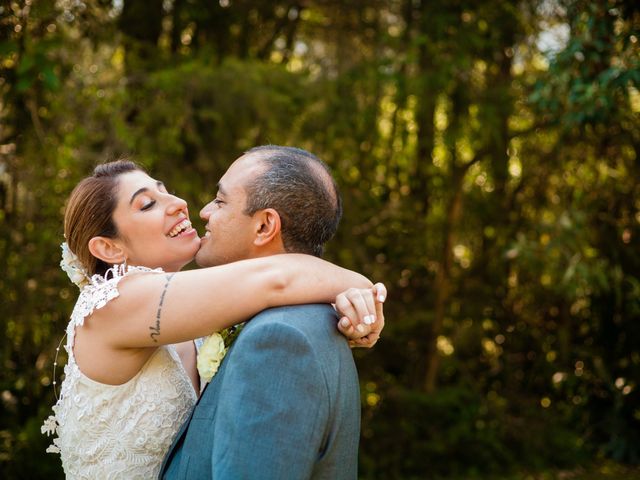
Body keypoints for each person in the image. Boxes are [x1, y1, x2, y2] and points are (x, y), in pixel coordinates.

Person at [42, 158, 385, 479]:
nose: (178, 203)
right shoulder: (113, 306)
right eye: (147, 204)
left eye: (164, 190)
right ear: (109, 249)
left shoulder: (191, 314)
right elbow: (276, 279)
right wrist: (364, 290)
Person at [160, 146, 382, 479]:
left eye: (220, 201)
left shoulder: (279, 340)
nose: (204, 211)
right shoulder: (305, 319)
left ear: (265, 226)